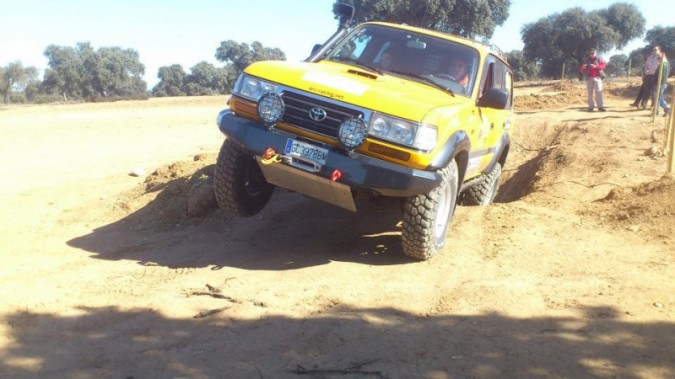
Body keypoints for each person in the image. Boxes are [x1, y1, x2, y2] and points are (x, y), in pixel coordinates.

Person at [633, 46, 661, 110]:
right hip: (648, 76)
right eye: (653, 50)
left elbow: (661, 65)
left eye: (655, 49)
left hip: (655, 76)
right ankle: (644, 105)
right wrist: (646, 72)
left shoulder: (660, 56)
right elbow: (647, 66)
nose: (654, 51)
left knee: (654, 92)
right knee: (646, 91)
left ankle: (654, 106)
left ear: (659, 50)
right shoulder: (650, 57)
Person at [656, 51, 671, 117]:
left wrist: (659, 83)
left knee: (659, 97)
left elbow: (664, 75)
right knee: (659, 97)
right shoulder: (662, 64)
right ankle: (662, 110)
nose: (657, 59)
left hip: (662, 83)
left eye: (659, 58)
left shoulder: (664, 64)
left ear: (662, 58)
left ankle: (667, 109)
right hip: (661, 83)